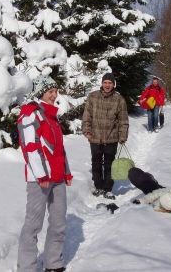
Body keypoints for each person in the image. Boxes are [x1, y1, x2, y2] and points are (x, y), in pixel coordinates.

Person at [17, 75, 72, 272]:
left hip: (57, 178)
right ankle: (26, 267)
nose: (54, 95)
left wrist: (66, 172)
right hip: (39, 180)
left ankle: (53, 263)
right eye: (50, 91)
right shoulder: (30, 114)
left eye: (55, 91)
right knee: (33, 225)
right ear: (41, 92)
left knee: (59, 222)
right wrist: (41, 175)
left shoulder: (51, 116)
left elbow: (58, 149)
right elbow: (30, 147)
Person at [82, 73, 129, 200]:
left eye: (110, 83)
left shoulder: (119, 99)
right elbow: (87, 116)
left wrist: (122, 136)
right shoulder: (93, 97)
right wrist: (87, 131)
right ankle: (98, 187)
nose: (107, 85)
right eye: (105, 82)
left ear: (113, 84)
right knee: (96, 163)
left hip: (111, 138)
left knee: (109, 164)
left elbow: (123, 120)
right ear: (102, 83)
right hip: (95, 137)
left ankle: (108, 189)